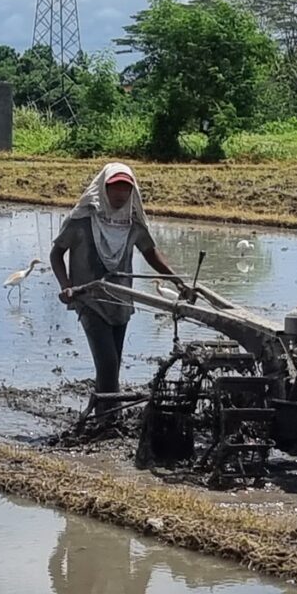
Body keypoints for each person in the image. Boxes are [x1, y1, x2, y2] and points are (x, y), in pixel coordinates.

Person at [50, 162, 184, 428]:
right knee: (109, 363)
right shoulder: (84, 220)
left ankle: (106, 414)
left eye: (126, 187)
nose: (121, 194)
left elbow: (150, 252)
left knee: (113, 362)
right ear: (104, 188)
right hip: (90, 299)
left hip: (121, 299)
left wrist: (178, 281)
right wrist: (65, 285)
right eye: (115, 187)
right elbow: (56, 253)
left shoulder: (132, 222)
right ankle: (109, 419)